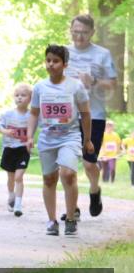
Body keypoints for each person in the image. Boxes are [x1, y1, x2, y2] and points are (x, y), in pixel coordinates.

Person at [27, 45, 92, 237]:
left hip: (70, 137)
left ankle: (71, 218)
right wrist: (30, 136)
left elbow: (86, 114)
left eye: (55, 61)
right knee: (49, 179)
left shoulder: (75, 86)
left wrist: (87, 140)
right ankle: (52, 221)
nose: (51, 64)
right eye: (48, 60)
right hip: (47, 138)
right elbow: (33, 113)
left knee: (68, 174)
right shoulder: (39, 87)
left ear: (65, 64)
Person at [65, 14, 118, 219]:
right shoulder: (64, 52)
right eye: (76, 32)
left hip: (93, 115)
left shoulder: (102, 54)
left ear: (92, 33)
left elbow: (112, 83)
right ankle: (73, 209)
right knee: (67, 166)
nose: (79, 37)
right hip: (67, 116)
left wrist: (94, 81)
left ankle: (95, 190)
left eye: (84, 33)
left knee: (89, 163)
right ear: (70, 30)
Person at [0, 83, 32, 217]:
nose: (19, 98)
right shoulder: (7, 114)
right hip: (9, 148)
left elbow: (37, 127)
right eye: (17, 95)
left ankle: (18, 204)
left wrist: (30, 139)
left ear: (30, 98)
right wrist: (6, 131)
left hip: (23, 149)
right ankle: (11, 195)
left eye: (23, 95)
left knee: (19, 177)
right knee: (11, 177)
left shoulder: (32, 115)